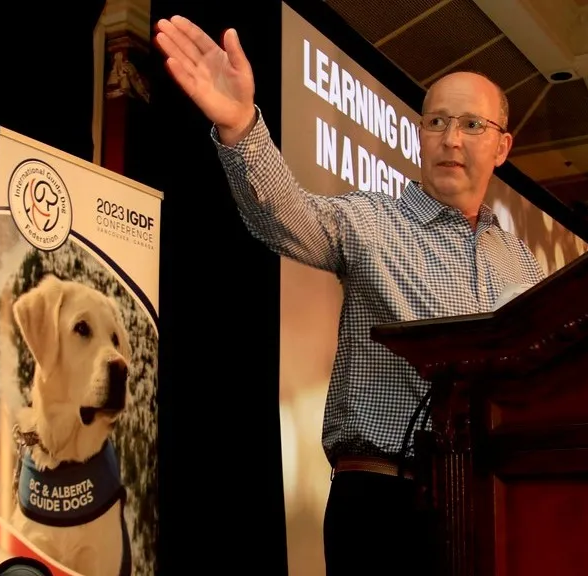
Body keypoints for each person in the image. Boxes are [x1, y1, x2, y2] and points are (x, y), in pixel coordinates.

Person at [153, 15, 546, 575]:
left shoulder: (520, 262)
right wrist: (242, 129)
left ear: (502, 146)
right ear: (420, 134)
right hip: (384, 507)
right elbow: (285, 217)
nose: (451, 139)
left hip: (492, 500)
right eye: (436, 121)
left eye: (471, 125)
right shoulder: (369, 221)